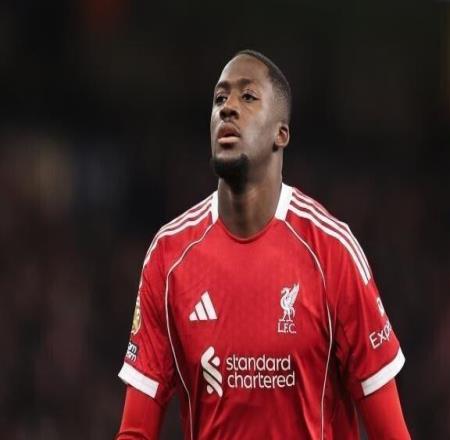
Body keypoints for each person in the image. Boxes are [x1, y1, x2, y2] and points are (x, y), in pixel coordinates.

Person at [116, 49, 410, 439]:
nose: (227, 108)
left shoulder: (332, 252)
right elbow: (135, 432)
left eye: (248, 96)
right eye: (220, 98)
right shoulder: (169, 256)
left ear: (280, 133)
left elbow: (391, 433)